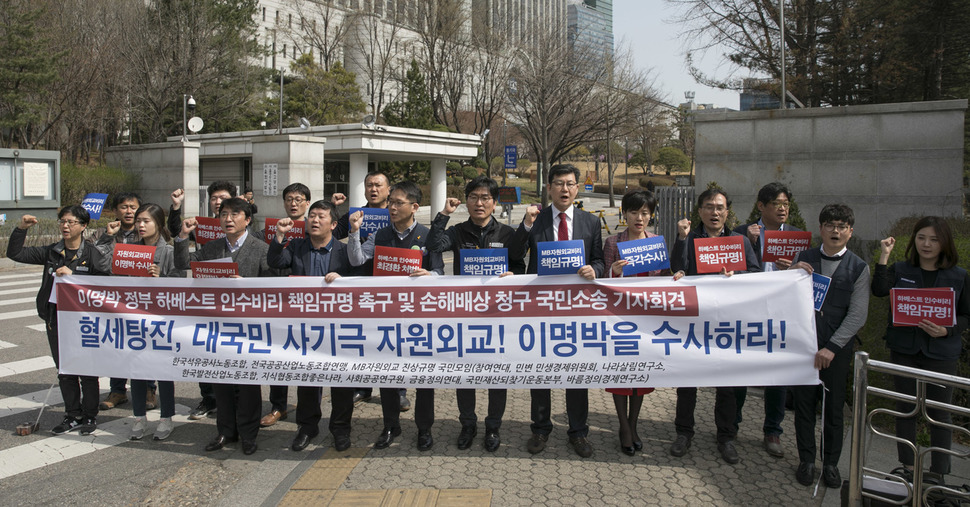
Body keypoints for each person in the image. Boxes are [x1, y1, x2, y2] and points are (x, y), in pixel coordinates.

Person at [507, 163, 605, 458]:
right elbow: (514, 254)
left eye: (570, 183)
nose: (565, 189)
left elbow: (600, 259)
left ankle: (578, 431)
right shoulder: (536, 219)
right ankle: (540, 429)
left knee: (577, 372)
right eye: (559, 183)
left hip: (577, 308)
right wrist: (525, 225)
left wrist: (595, 269)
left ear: (578, 188)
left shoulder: (590, 222)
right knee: (541, 371)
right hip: (542, 307)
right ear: (549, 188)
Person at [424, 176, 525, 452]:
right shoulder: (457, 232)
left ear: (494, 203)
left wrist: (512, 275)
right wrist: (444, 214)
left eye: (485, 198)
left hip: (497, 316)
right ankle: (467, 424)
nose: (479, 203)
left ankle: (493, 427)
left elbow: (520, 265)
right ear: (466, 201)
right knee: (465, 373)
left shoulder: (507, 234)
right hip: (465, 315)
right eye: (473, 197)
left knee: (496, 374)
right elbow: (433, 245)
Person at [175, 197, 277, 455]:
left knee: (248, 384)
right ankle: (225, 431)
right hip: (217, 327)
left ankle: (248, 434)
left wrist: (247, 285)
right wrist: (182, 237)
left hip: (248, 327)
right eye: (224, 214)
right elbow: (182, 263)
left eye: (234, 214)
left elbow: (274, 285)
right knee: (221, 381)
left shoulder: (261, 248)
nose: (228, 219)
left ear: (247, 219)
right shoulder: (212, 248)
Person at [348, 180, 443, 451]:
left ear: (414, 207)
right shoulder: (379, 235)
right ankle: (390, 425)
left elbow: (440, 272)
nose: (391, 207)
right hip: (387, 316)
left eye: (398, 203)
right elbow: (356, 261)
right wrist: (354, 233)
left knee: (424, 377)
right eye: (391, 202)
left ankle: (424, 429)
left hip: (419, 318)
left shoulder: (428, 235)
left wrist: (429, 274)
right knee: (388, 374)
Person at [871, 216, 968, 482]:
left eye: (934, 239)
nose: (927, 244)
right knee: (906, 408)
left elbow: (967, 315)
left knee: (940, 412)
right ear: (914, 240)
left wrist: (947, 330)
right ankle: (909, 467)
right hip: (904, 350)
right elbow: (879, 290)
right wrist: (884, 256)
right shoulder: (901, 269)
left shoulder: (959, 276)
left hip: (941, 353)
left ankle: (938, 473)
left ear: (944, 243)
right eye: (921, 238)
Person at [668, 188, 760, 465]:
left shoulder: (739, 241)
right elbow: (674, 269)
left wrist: (737, 274)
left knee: (728, 384)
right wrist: (682, 242)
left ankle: (727, 436)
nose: (715, 212)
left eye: (720, 207)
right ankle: (684, 432)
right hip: (694, 322)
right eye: (709, 207)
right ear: (700, 212)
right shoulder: (690, 237)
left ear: (727, 211)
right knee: (687, 382)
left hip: (727, 323)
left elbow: (755, 274)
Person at [7, 206, 110, 435]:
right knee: (65, 370)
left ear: (83, 226)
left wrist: (74, 278)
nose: (65, 226)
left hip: (85, 322)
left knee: (87, 371)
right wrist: (21, 229)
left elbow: (106, 286)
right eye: (62, 221)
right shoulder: (53, 252)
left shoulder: (92, 254)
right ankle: (72, 415)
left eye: (71, 222)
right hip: (56, 319)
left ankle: (90, 416)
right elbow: (16, 254)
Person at [267, 200, 357, 452]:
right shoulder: (297, 246)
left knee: (341, 383)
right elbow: (275, 261)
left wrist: (343, 280)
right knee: (307, 380)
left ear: (334, 224)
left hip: (338, 328)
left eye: (321, 217)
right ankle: (307, 427)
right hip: (305, 328)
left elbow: (361, 282)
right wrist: (279, 236)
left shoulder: (344, 251)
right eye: (312, 216)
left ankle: (340, 429)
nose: (315, 221)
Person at [790, 204, 869, 488]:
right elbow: (787, 298)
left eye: (841, 226)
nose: (835, 231)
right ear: (821, 228)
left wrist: (832, 347)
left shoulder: (859, 268)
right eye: (830, 225)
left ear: (850, 232)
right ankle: (806, 460)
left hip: (836, 350)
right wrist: (792, 274)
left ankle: (831, 464)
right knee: (804, 406)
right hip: (805, 346)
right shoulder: (805, 257)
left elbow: (858, 314)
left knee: (833, 410)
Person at [732, 182, 800, 458]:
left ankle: (773, 430)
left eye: (786, 204)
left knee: (777, 377)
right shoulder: (742, 233)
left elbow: (807, 273)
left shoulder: (797, 237)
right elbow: (731, 271)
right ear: (761, 207)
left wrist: (793, 268)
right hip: (747, 314)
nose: (783, 209)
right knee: (739, 374)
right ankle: (731, 426)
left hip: (781, 315)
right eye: (777, 204)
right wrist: (750, 243)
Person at [602, 190, 667, 456]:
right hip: (619, 317)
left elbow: (663, 278)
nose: (639, 218)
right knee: (620, 372)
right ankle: (623, 427)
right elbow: (603, 282)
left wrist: (677, 276)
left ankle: (634, 424)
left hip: (645, 319)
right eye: (634, 212)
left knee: (640, 373)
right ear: (624, 214)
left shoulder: (655, 242)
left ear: (651, 215)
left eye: (645, 213)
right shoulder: (612, 242)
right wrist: (613, 273)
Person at [168, 180, 236, 420]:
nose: (218, 202)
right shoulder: (204, 225)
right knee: (204, 350)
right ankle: (209, 398)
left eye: (224, 198)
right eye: (215, 198)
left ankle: (233, 401)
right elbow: (178, 234)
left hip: (235, 302)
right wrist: (176, 208)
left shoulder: (243, 224)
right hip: (206, 297)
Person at [331, 171, 396, 407]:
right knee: (363, 338)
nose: (373, 189)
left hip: (389, 283)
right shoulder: (355, 212)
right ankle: (362, 387)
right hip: (359, 280)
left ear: (389, 189)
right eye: (369, 185)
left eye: (379, 185)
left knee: (390, 340)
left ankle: (397, 391)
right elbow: (333, 234)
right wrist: (335, 209)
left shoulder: (395, 212)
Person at [126, 203, 185, 441]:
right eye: (138, 221)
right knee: (137, 368)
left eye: (146, 221)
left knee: (163, 369)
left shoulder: (169, 252)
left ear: (158, 225)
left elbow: (181, 283)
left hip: (161, 321)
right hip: (135, 317)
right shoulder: (128, 250)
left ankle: (166, 417)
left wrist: (161, 278)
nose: (140, 225)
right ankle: (139, 416)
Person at [89, 192, 151, 412]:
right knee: (115, 345)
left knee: (143, 345)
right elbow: (95, 262)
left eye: (133, 207)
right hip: (112, 301)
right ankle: (117, 390)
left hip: (141, 301)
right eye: (123, 207)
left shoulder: (146, 231)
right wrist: (107, 237)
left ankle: (148, 389)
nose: (128, 211)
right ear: (115, 210)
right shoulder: (102, 233)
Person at [259, 182, 313, 429]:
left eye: (299, 199)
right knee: (278, 355)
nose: (294, 203)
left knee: (308, 355)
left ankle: (308, 407)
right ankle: (278, 405)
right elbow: (269, 260)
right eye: (289, 199)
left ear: (307, 203)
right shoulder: (270, 229)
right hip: (279, 301)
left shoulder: (314, 228)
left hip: (308, 303)